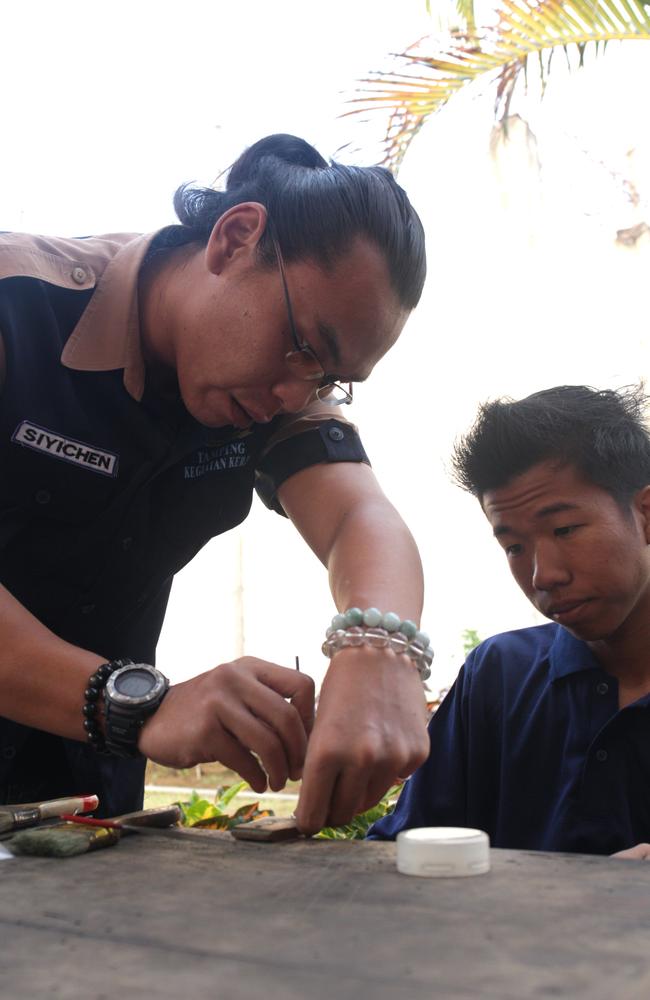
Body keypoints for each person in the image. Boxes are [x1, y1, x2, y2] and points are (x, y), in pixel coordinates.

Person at [0, 133, 432, 832]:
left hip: (84, 790)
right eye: (305, 346)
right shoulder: (17, 306)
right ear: (235, 240)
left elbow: (361, 519)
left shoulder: (276, 394)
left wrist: (380, 649)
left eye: (329, 379)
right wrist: (133, 704)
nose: (298, 394)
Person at [369, 384, 650, 855]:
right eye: (514, 547)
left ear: (645, 514)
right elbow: (408, 846)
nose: (544, 575)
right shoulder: (500, 675)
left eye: (565, 530)